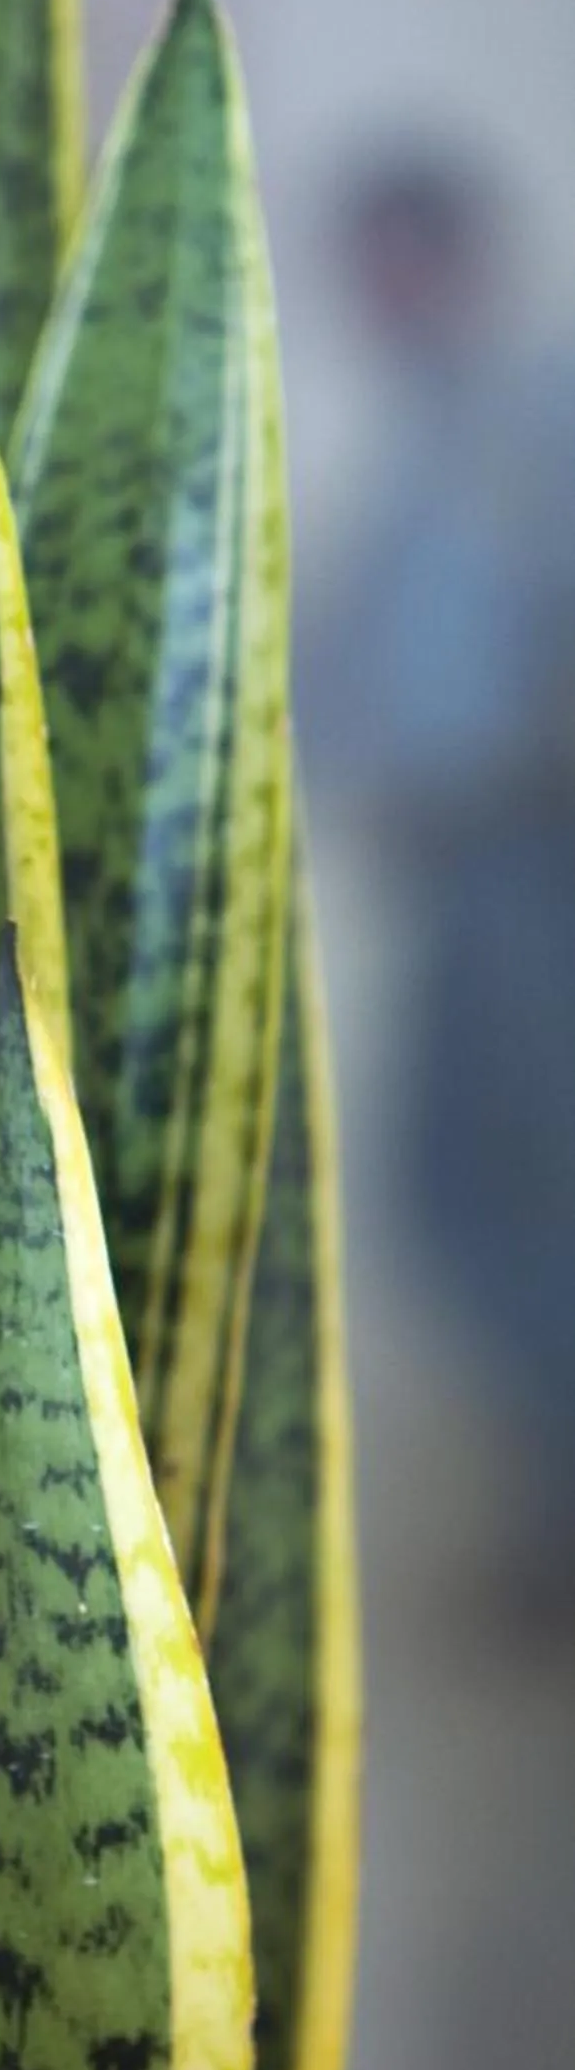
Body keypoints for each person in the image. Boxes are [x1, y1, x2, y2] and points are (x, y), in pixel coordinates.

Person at [308, 148, 575, 1610]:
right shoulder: (419, 433)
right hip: (453, 871)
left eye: (396, 257)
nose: (376, 292)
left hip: (528, 859)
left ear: (456, 252)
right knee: (454, 1192)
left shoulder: (533, 416)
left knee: (521, 1192)